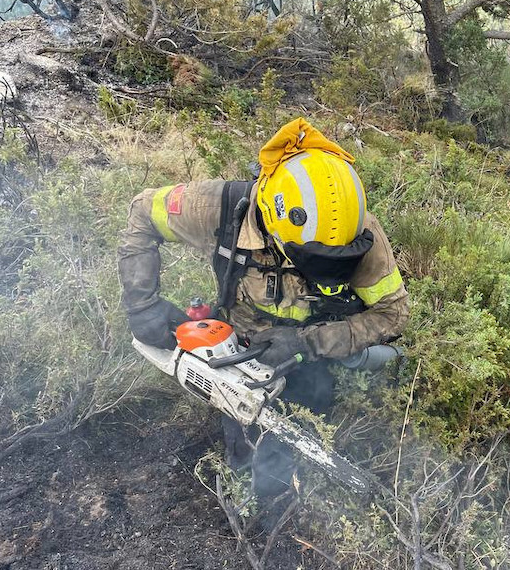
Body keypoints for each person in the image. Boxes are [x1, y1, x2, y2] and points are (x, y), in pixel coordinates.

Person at [118, 117, 408, 495]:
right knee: (240, 438)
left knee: (286, 451)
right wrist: (143, 305)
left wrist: (310, 342)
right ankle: (241, 491)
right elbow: (143, 211)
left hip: (310, 356)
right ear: (273, 221)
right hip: (238, 351)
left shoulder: (360, 232)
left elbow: (394, 313)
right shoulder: (218, 209)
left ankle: (275, 501)